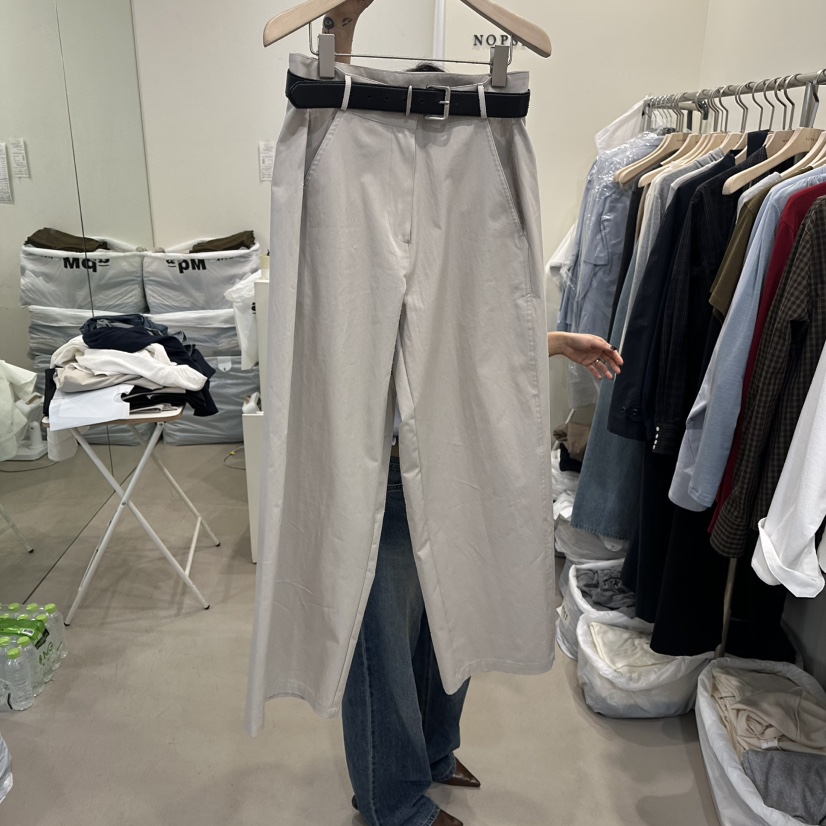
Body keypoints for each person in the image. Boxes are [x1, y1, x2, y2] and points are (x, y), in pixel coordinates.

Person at [343, 332, 623, 826]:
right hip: (384, 460)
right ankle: (389, 798)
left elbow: (460, 327)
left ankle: (431, 753)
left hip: (451, 453)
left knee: (451, 621)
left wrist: (548, 341)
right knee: (384, 642)